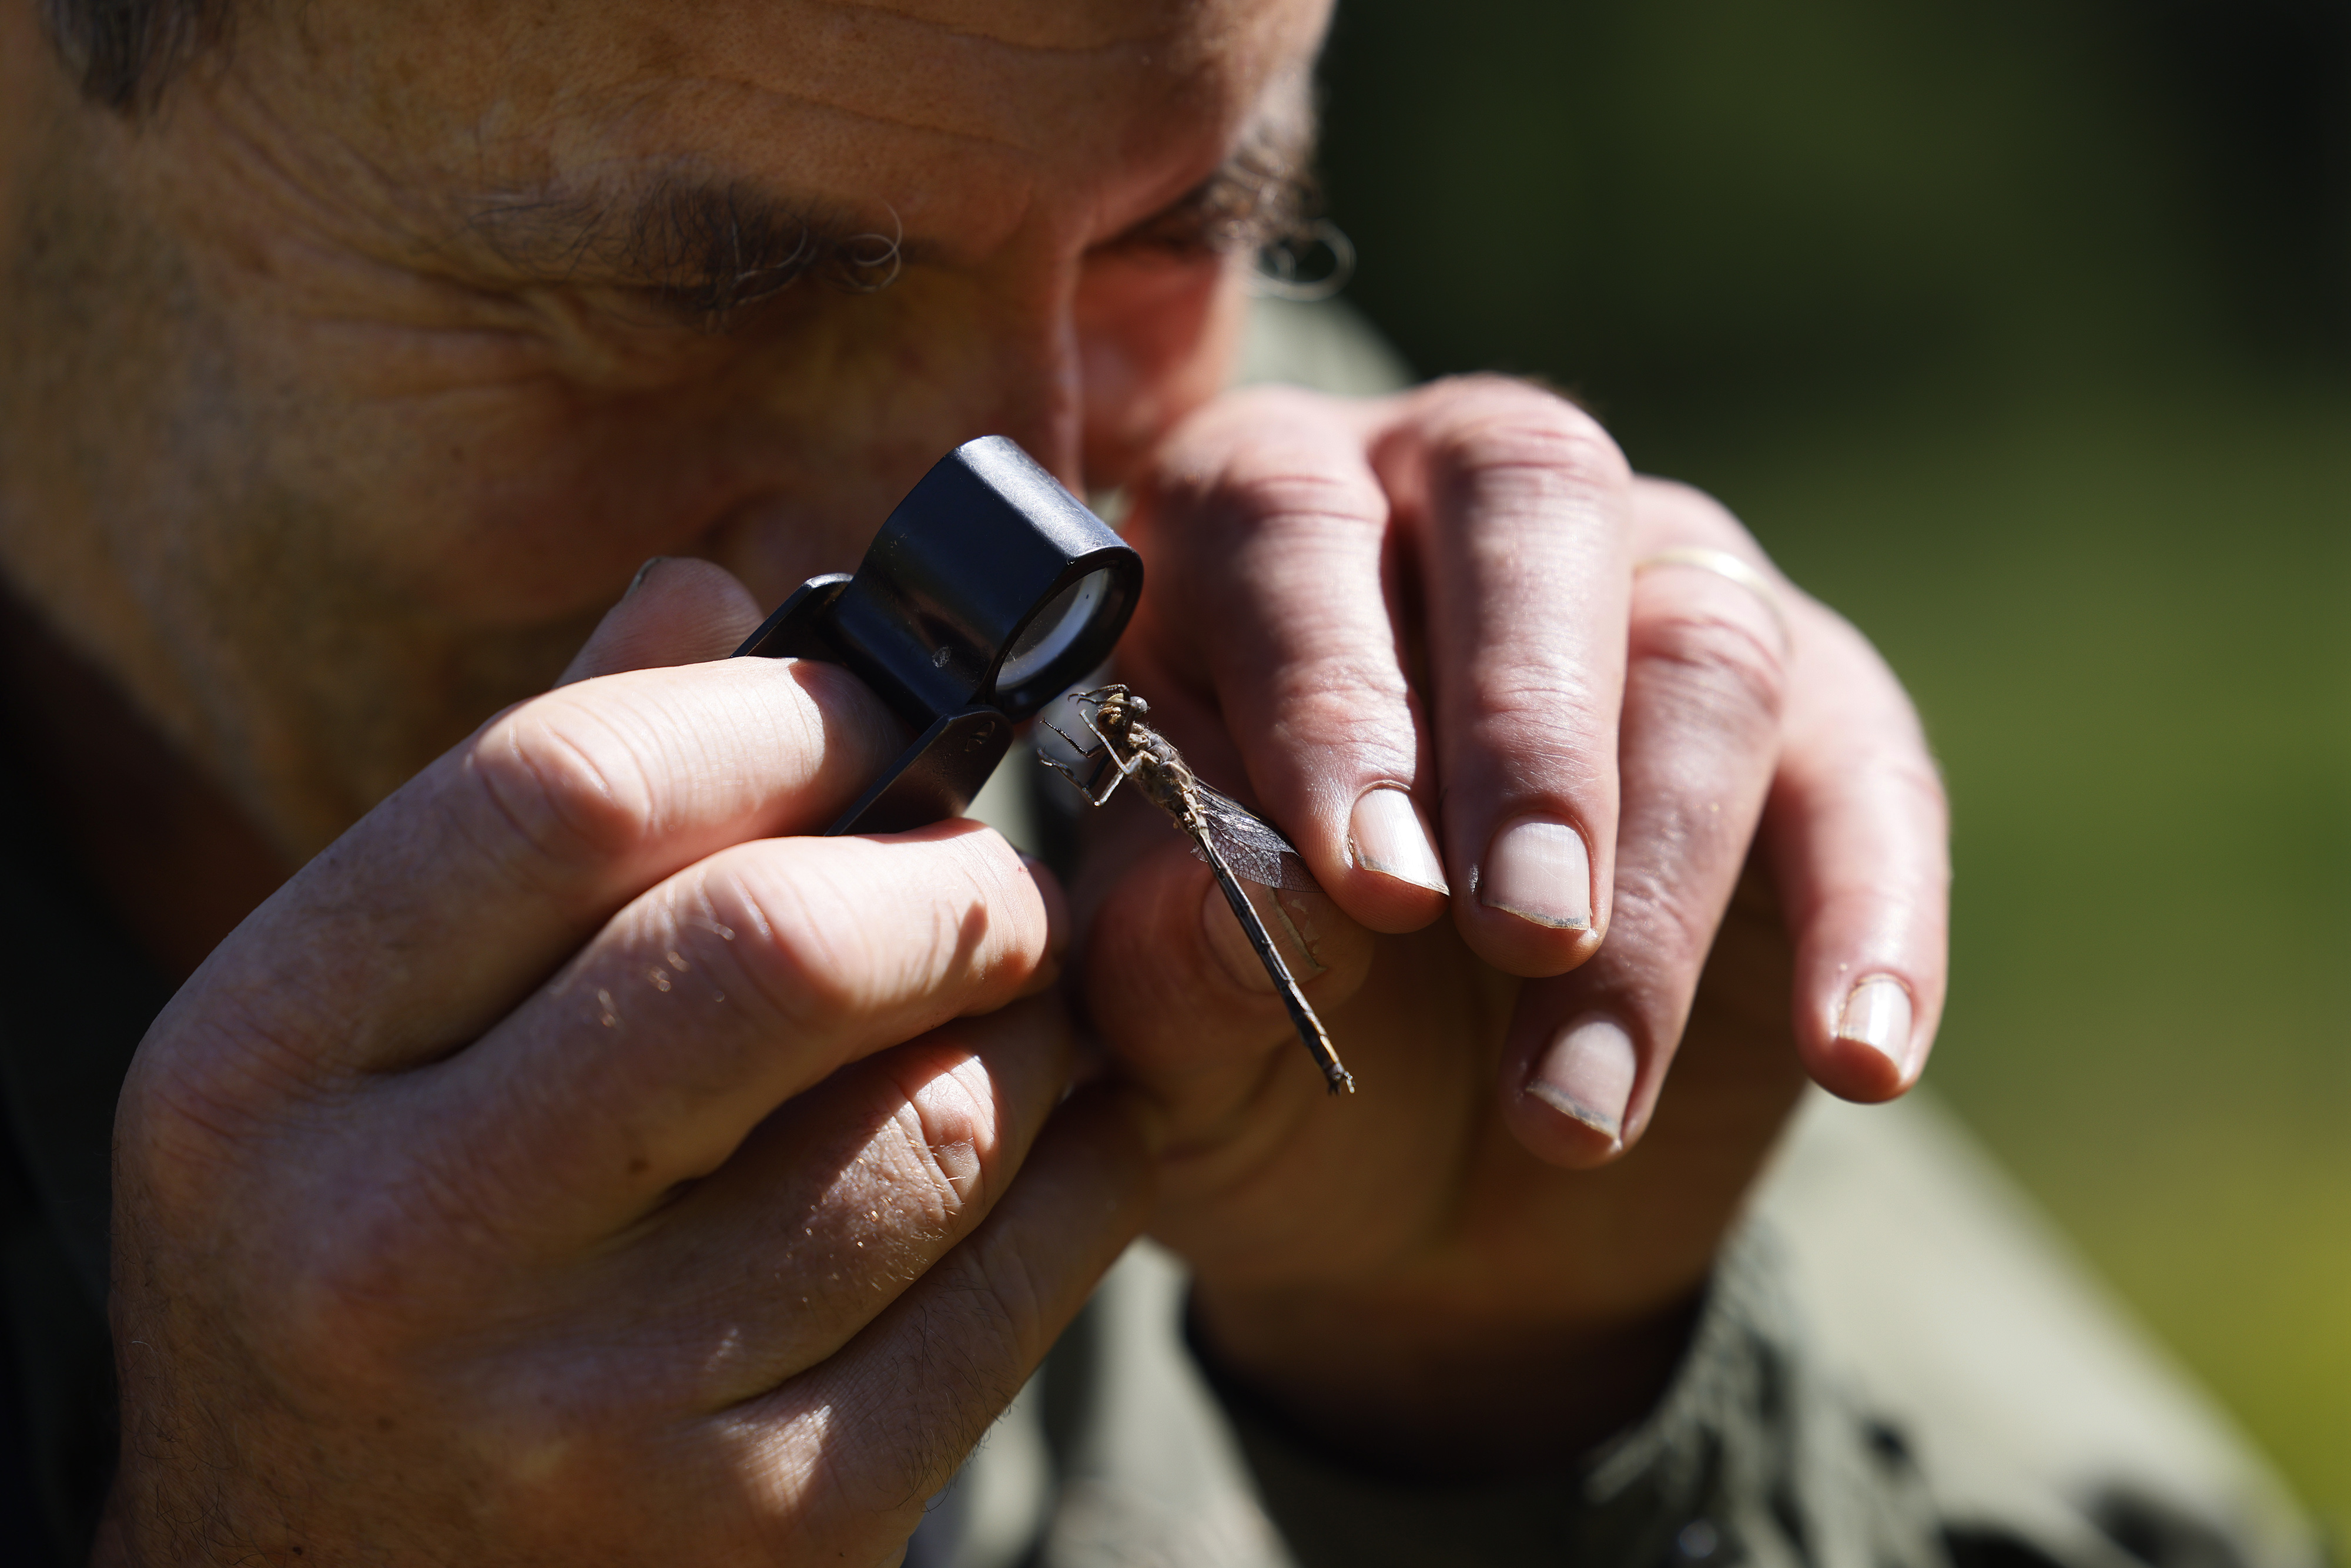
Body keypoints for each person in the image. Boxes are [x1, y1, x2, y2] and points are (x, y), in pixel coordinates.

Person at [0, 1, 2308, 1564]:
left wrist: (1529, 1409)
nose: (1024, 545)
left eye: (1185, 239)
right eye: (697, 298)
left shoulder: (1206, 540)